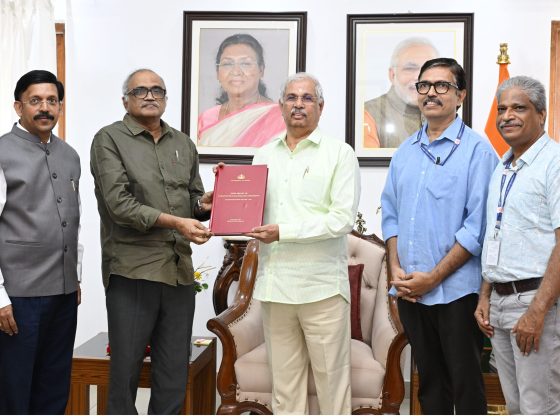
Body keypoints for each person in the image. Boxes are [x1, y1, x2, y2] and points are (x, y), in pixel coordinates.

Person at [90, 68, 213, 414]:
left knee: (173, 376)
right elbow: (119, 206)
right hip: (133, 273)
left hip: (178, 273)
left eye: (157, 90)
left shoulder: (183, 143)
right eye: (140, 90)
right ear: (125, 100)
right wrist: (177, 222)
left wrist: (205, 205)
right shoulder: (108, 139)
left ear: (165, 98)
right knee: (125, 375)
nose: (149, 96)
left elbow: (193, 199)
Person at [381, 58, 498, 414]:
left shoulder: (478, 152)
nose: (431, 92)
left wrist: (433, 277)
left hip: (457, 294)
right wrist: (395, 269)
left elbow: (477, 229)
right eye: (424, 85)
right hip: (411, 293)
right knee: (429, 387)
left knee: (466, 388)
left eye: (442, 85)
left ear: (460, 95)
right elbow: (391, 217)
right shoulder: (405, 152)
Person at [243, 72, 360, 414]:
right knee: (285, 389)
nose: (298, 105)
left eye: (307, 98)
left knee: (332, 387)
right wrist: (224, 193)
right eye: (291, 98)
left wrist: (284, 232)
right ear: (280, 106)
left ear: (321, 107)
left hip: (321, 289)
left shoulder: (340, 154)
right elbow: (249, 210)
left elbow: (341, 219)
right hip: (275, 287)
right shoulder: (263, 155)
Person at [476, 76, 560, 414]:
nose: (507, 116)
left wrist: (537, 311)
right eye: (502, 109)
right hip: (499, 302)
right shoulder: (503, 165)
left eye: (518, 108)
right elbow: (497, 234)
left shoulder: (554, 162)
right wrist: (485, 295)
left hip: (535, 302)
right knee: (515, 406)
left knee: (540, 408)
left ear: (541, 114)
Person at [0, 70, 82, 414]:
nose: (45, 108)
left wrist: (75, 277)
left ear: (60, 106)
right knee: (14, 390)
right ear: (19, 107)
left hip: (63, 293)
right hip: (18, 297)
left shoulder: (70, 154)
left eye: (52, 100)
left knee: (54, 387)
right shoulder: (2, 152)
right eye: (35, 100)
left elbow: (74, 219)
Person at [198, 33, 286, 147]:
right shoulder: (206, 119)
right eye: (227, 64)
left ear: (261, 70)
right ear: (217, 73)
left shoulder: (280, 116)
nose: (236, 71)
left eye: (245, 63)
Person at [363, 37, 438, 148]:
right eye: (410, 68)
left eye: (428, 69)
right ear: (392, 75)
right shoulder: (367, 114)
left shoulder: (448, 113)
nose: (418, 77)